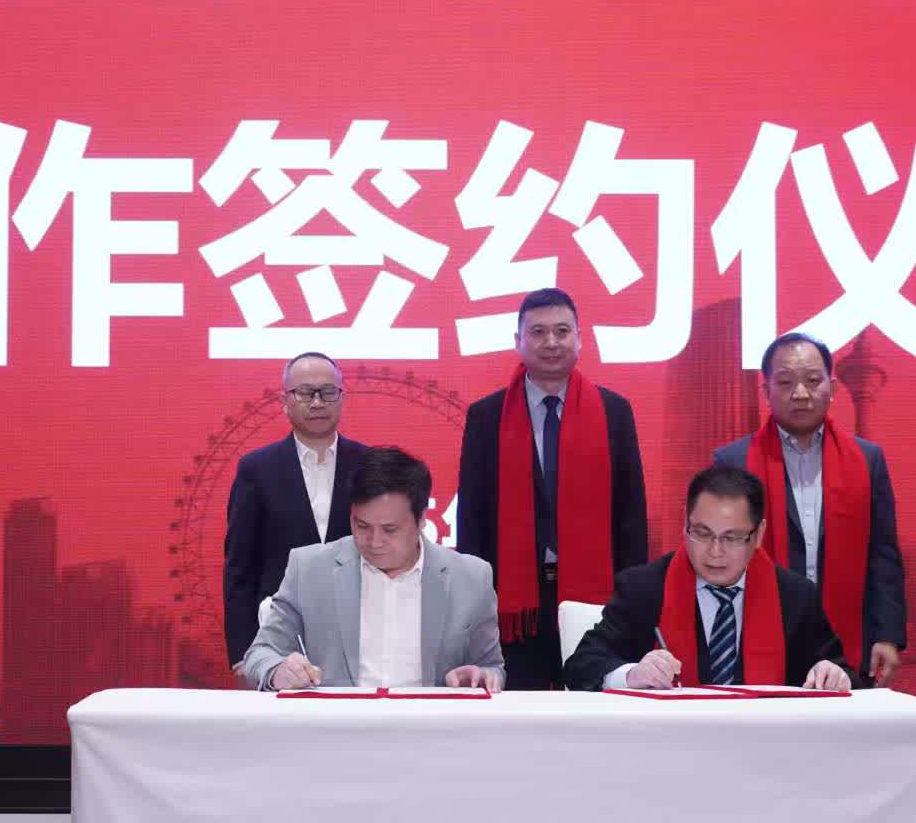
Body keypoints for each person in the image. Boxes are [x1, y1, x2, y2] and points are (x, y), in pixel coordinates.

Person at [455, 288, 647, 688]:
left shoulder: (613, 411)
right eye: (538, 332)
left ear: (580, 339)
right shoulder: (487, 416)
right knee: (519, 708)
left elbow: (630, 514)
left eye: (562, 331)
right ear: (518, 341)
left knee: (593, 703)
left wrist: (631, 600)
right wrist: (475, 599)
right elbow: (472, 515)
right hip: (513, 600)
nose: (551, 342)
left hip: (595, 597)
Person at [714, 332, 906, 683]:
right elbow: (718, 558)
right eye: (785, 382)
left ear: (832, 388)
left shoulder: (868, 460)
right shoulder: (733, 461)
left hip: (847, 639)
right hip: (756, 636)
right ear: (766, 391)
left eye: (813, 380)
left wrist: (888, 635)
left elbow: (884, 556)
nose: (800, 393)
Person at [565, 464, 854, 691]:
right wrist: (631, 675)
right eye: (702, 533)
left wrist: (833, 675)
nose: (715, 552)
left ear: (759, 535)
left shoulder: (795, 597)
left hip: (767, 743)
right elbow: (582, 665)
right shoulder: (644, 588)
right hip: (667, 742)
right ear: (685, 525)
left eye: (732, 537)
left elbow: (846, 675)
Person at [241, 445, 505, 692]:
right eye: (362, 526)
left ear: (422, 518)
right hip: (337, 723)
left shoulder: (471, 578)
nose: (374, 542)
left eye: (390, 529)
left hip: (430, 723)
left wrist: (480, 676)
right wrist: (278, 671)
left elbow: (492, 667)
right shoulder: (309, 569)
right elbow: (260, 653)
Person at [222, 352, 369, 669]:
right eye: (304, 393)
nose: (317, 403)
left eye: (327, 392)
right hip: (279, 638)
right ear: (284, 401)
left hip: (361, 636)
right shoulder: (257, 469)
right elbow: (240, 568)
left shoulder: (370, 464)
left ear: (342, 397)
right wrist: (243, 656)